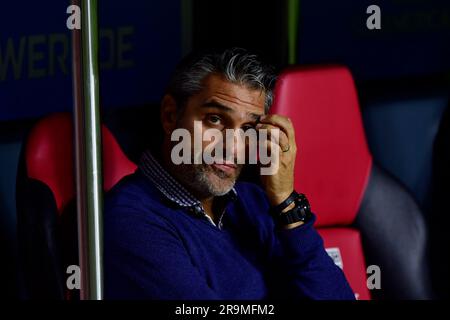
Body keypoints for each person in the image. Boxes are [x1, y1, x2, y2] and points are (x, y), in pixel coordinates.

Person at [104, 48, 355, 299]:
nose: (233, 146)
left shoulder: (256, 202)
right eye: (215, 119)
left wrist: (286, 202)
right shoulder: (130, 220)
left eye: (248, 128)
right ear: (170, 115)